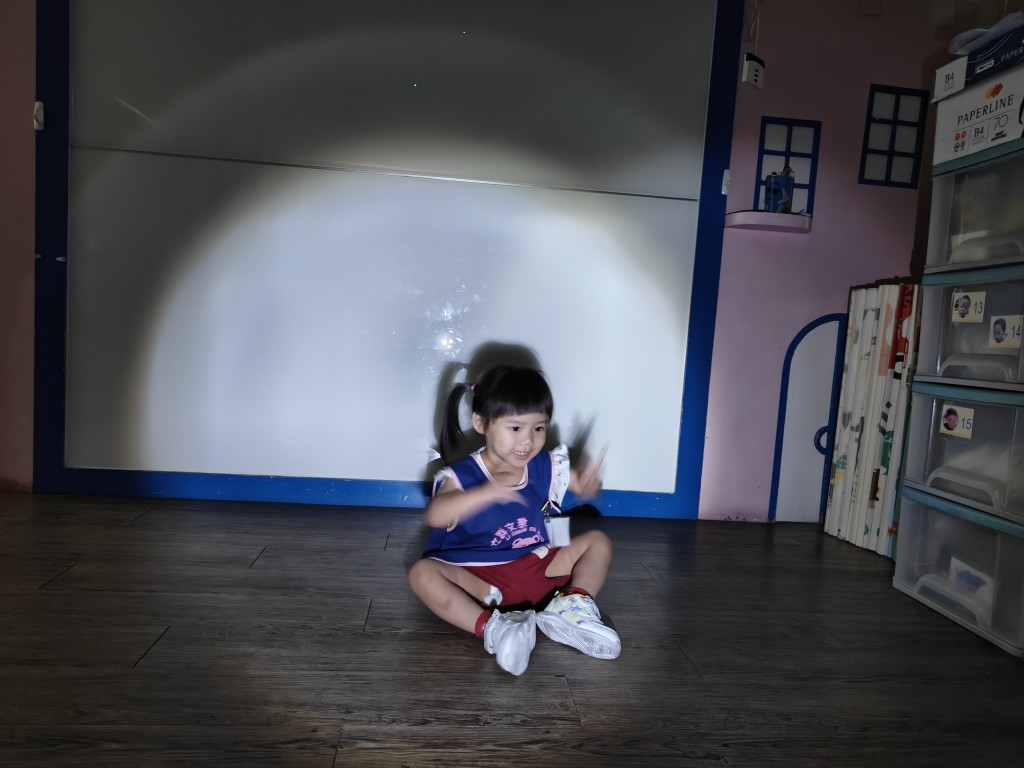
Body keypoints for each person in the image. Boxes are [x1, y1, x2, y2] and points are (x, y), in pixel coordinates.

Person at [408, 365, 620, 676]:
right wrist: (484, 494)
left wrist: (588, 484)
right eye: (516, 428)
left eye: (539, 428)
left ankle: (571, 607)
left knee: (598, 542)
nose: (528, 441)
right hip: (483, 584)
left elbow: (578, 484)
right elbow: (436, 515)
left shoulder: (545, 465)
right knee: (422, 574)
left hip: (538, 568)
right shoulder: (462, 476)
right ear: (481, 423)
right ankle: (495, 629)